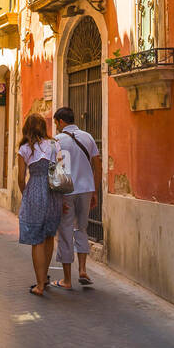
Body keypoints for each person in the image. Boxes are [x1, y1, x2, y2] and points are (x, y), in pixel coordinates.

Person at [52, 106, 101, 289]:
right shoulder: (88, 137)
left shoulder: (57, 140)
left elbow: (55, 169)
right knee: (81, 228)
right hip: (86, 189)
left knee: (65, 231)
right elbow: (98, 165)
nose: (56, 126)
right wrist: (94, 190)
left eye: (57, 123)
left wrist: (56, 196)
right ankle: (82, 269)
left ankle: (66, 279)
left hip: (66, 191)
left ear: (61, 121)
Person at [17, 113, 62, 297]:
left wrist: (25, 193)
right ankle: (44, 279)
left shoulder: (25, 148)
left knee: (37, 239)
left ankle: (40, 285)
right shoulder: (54, 144)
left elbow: (21, 178)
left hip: (34, 190)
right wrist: (63, 198)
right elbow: (60, 173)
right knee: (49, 235)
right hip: (53, 192)